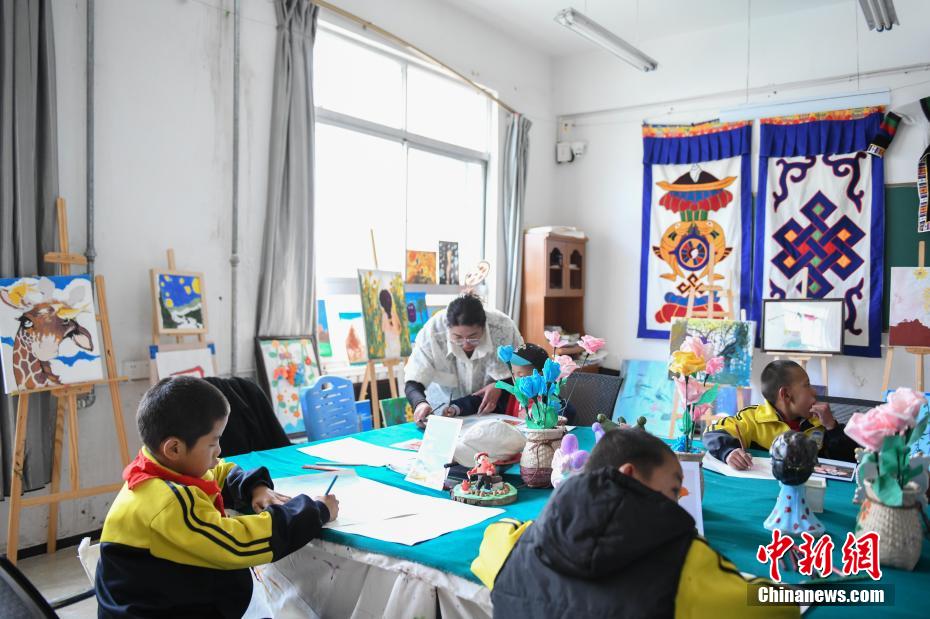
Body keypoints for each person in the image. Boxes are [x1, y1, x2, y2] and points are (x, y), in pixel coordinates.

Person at [487, 429, 799, 618]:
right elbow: (778, 607)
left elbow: (494, 536)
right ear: (629, 475)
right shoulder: (685, 562)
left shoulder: (516, 545)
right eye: (673, 488)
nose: (678, 499)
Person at [95, 376, 339, 617]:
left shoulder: (160, 466)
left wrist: (255, 487)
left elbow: (218, 471)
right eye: (213, 444)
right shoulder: (168, 504)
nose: (219, 451)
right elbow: (239, 544)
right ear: (174, 448)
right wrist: (314, 510)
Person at [703, 360, 858, 470]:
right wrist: (729, 452)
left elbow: (852, 459)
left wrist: (832, 427)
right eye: (807, 385)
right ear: (786, 395)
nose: (814, 391)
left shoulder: (820, 422)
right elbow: (712, 433)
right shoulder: (752, 419)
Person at [405, 293, 523, 424]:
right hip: (442, 413)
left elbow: (522, 373)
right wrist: (420, 403)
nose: (466, 344)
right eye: (458, 338)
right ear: (448, 328)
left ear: (484, 327)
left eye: (473, 337)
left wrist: (500, 386)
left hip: (490, 414)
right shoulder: (432, 334)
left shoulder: (503, 329)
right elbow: (413, 381)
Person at [438, 343, 577, 423]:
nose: (515, 380)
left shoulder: (548, 399)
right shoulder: (509, 394)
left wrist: (549, 413)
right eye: (513, 374)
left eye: (521, 375)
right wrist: (455, 408)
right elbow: (476, 401)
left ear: (541, 376)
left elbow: (569, 411)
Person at [379, 289, 402, 359]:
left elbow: (383, 329)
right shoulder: (394, 314)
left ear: (382, 303)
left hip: (389, 348)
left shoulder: (384, 316)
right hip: (397, 346)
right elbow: (399, 328)